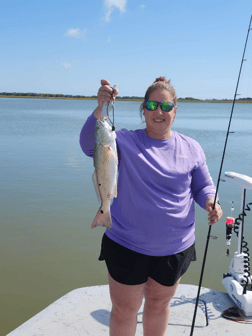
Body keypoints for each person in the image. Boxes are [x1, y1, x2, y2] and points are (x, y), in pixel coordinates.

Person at [80, 78, 223, 336]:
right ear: (143, 110)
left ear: (175, 110)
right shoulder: (122, 140)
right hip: (126, 244)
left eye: (166, 105)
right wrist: (101, 107)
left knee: (158, 306)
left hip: (175, 246)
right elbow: (89, 146)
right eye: (152, 105)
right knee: (125, 310)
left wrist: (211, 202)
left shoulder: (192, 147)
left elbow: (203, 187)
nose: (159, 111)